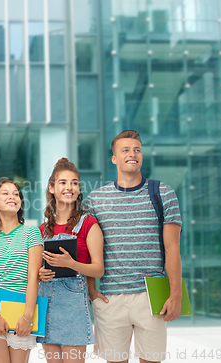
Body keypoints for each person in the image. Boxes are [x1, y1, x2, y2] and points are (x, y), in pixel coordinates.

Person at [85, 130, 182, 363]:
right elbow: (88, 251)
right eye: (125, 150)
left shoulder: (163, 193)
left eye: (137, 149)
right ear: (114, 158)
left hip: (151, 295)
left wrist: (176, 294)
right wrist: (91, 290)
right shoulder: (94, 200)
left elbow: (173, 249)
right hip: (111, 297)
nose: (133, 154)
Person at [37, 158, 105, 363]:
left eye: (74, 182)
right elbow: (35, 270)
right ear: (52, 188)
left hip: (74, 306)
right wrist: (40, 274)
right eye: (63, 182)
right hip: (46, 304)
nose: (70, 187)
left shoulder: (89, 224)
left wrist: (71, 264)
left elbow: (98, 270)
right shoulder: (43, 230)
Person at [0, 179, 43, 363]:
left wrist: (28, 316)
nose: (12, 196)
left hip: (23, 309)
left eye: (16, 193)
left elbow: (33, 278)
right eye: (5, 193)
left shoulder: (32, 233)